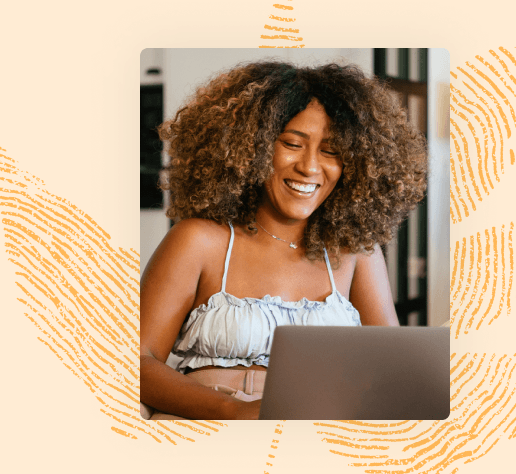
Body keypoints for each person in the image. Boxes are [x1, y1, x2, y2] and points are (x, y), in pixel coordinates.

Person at [140, 61, 427, 420]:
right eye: (292, 144)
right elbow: (138, 360)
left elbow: (391, 369)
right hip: (208, 426)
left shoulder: (355, 254)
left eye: (331, 151)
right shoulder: (199, 241)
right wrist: (232, 409)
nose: (309, 167)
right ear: (252, 147)